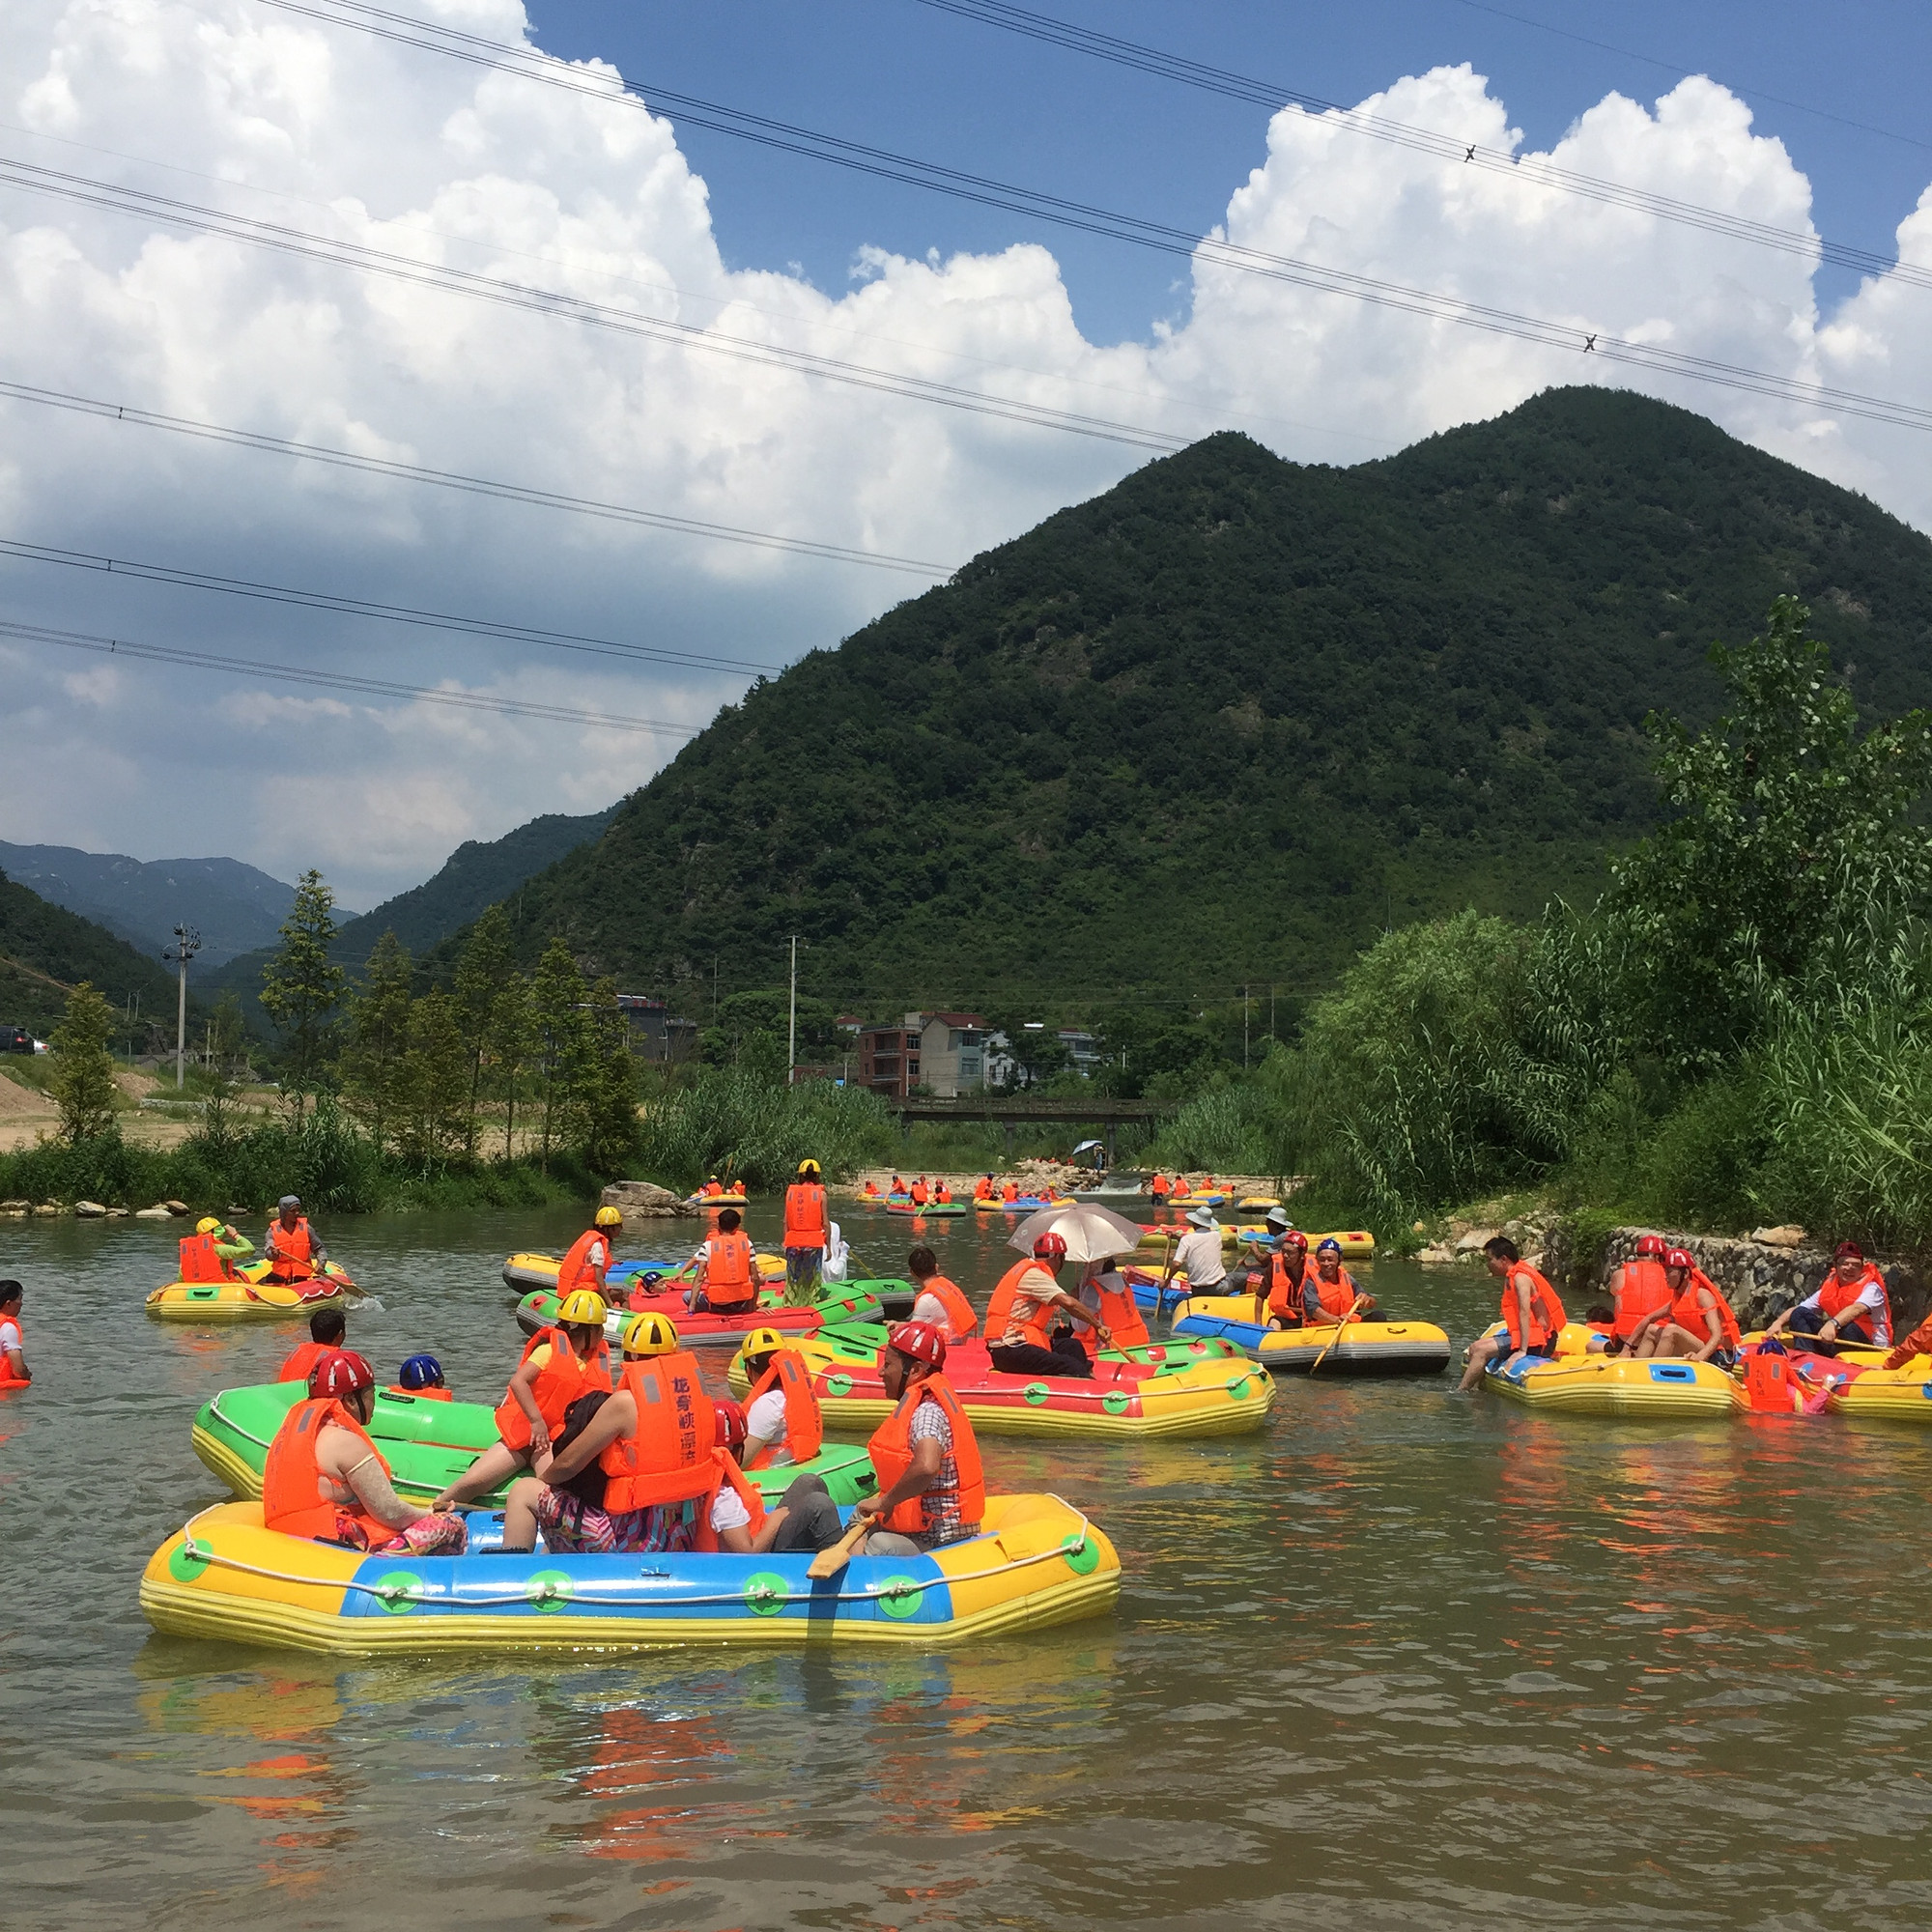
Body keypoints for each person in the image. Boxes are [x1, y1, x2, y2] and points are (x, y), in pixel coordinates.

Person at [500, 1311, 716, 1554]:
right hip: (680, 1532)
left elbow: (568, 1464)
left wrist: (545, 1484)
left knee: (524, 1490)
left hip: (634, 1539)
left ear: (632, 1355)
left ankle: (511, 1571)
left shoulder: (625, 1403)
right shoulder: (697, 1399)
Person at [262, 1350, 466, 1553]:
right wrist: (429, 1514)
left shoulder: (298, 1433)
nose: (374, 1403)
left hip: (292, 1533)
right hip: (332, 1543)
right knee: (450, 1524)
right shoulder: (345, 1442)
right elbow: (389, 1512)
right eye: (371, 1394)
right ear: (351, 1399)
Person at [432, 1289, 612, 1510]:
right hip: (526, 1433)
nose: (603, 1333)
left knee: (553, 1487)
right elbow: (519, 1382)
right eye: (600, 1328)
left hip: (555, 1442)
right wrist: (536, 1421)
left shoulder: (594, 1362)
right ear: (589, 1330)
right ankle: (435, 1511)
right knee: (472, 1482)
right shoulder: (548, 1351)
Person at [985, 1234, 1107, 1378]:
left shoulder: (1028, 1270)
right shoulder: (1035, 1275)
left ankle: (1090, 1378)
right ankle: (1084, 1383)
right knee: (1071, 1365)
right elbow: (1068, 1303)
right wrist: (1098, 1326)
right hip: (1011, 1348)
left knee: (1072, 1345)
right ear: (1057, 1257)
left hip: (1016, 1344)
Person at [1456, 1236, 1567, 1392]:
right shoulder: (1513, 1275)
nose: (1488, 1264)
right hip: (1529, 1336)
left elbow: (1524, 1313)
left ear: (1503, 1259)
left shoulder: (1521, 1278)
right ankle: (1477, 1391)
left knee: (1481, 1350)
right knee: (1475, 1347)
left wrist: (1522, 1350)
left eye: (1489, 1259)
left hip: (1540, 1340)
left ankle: (1460, 1392)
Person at [1767, 1241, 1894, 1353]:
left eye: (1855, 1265)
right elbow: (1799, 1308)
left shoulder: (1872, 1288)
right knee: (1799, 1313)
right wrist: (1778, 1323)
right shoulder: (1830, 1288)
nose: (1850, 1268)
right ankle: (1805, 1354)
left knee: (1849, 1328)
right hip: (1839, 1339)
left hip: (1870, 1346)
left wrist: (1833, 1323)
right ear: (1836, 1265)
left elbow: (1857, 1308)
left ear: (1862, 1268)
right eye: (1845, 1264)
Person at [1629, 1248, 1741, 1365]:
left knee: (1671, 1330)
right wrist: (1627, 1346)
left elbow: (1717, 1336)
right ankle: (1637, 1367)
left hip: (1716, 1355)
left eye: (1669, 1272)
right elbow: (1649, 1318)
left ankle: (1655, 1368)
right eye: (1665, 1272)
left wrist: (1700, 1357)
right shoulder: (1678, 1299)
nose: (1665, 1277)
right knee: (1651, 1329)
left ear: (1686, 1273)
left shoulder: (1702, 1296)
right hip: (1695, 1348)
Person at [739, 1325, 825, 1469]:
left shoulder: (768, 1403)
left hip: (771, 1473)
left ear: (749, 1369)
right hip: (797, 1463)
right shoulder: (789, 1395)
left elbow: (742, 1461)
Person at [1587, 1235, 1675, 1354]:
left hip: (1625, 1340)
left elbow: (1614, 1293)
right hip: (1659, 1340)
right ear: (1657, 1257)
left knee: (1590, 1346)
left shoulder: (1620, 1274)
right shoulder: (1671, 1277)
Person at [688, 1207, 759, 1314]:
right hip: (741, 1303)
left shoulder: (707, 1246)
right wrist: (753, 1307)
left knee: (686, 1296)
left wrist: (691, 1308)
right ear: (737, 1227)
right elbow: (755, 1277)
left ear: (719, 1225)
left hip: (717, 1304)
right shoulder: (747, 1244)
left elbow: (699, 1279)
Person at [1075, 1254, 1149, 1356]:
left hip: (1111, 1349)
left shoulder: (1093, 1289)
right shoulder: (1124, 1281)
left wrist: (1076, 1301)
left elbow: (1080, 1327)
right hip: (1138, 1341)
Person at [906, 1245, 978, 1341]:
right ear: (936, 1267)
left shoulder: (926, 1300)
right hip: (960, 1339)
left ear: (912, 1272)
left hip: (946, 1345)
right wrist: (900, 1325)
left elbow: (912, 1333)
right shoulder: (948, 1287)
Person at [783, 1159, 830, 1302]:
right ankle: (810, 1302)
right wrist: (828, 1246)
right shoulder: (821, 1194)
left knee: (794, 1278)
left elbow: (785, 1221)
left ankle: (792, 1303)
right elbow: (826, 1223)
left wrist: (785, 1242)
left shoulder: (791, 1193)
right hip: (813, 1244)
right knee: (812, 1278)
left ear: (800, 1175)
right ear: (817, 1176)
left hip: (793, 1243)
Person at [1160, 1208, 1228, 1301]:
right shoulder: (1217, 1236)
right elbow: (1200, 1240)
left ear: (1195, 1223)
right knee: (1242, 1278)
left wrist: (1166, 1282)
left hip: (1197, 1289)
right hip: (1217, 1286)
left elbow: (1176, 1264)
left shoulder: (1187, 1240)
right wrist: (1178, 1238)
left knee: (1236, 1278)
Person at [557, 1206, 623, 1300]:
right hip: (581, 1289)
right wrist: (610, 1303)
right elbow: (599, 1278)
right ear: (609, 1228)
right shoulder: (598, 1245)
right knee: (623, 1295)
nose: (621, 1228)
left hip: (571, 1287)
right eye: (619, 1226)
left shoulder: (590, 1239)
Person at [1303, 1237, 1376, 1322]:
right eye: (1322, 1260)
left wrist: (1368, 1300)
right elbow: (1312, 1309)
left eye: (1330, 1260)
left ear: (1339, 1260)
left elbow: (1371, 1303)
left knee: (1378, 1316)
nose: (1326, 1264)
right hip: (1324, 1327)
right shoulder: (1311, 1282)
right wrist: (1336, 1319)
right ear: (1317, 1261)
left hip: (1348, 1324)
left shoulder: (1348, 1278)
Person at [264, 1195, 327, 1284]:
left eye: (298, 1210)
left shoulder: (307, 1228)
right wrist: (273, 1254)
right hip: (279, 1276)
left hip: (302, 1277)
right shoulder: (272, 1231)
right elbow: (268, 1253)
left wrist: (321, 1264)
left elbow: (319, 1249)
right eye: (292, 1211)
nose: (297, 1213)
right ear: (284, 1212)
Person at [177, 1214, 250, 1283]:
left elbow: (181, 1276)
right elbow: (249, 1249)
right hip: (219, 1286)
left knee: (235, 1272)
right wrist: (235, 1234)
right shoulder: (219, 1248)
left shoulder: (189, 1251)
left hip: (192, 1287)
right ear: (213, 1231)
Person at [278, 1309, 347, 1383]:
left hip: (283, 1389)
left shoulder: (299, 1350)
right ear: (340, 1334)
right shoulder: (337, 1359)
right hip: (307, 1390)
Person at [0, 1281, 28, 1389]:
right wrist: (27, 1375)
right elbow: (19, 1369)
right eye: (19, 1299)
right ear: (8, 1303)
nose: (21, 1304)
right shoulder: (7, 1328)